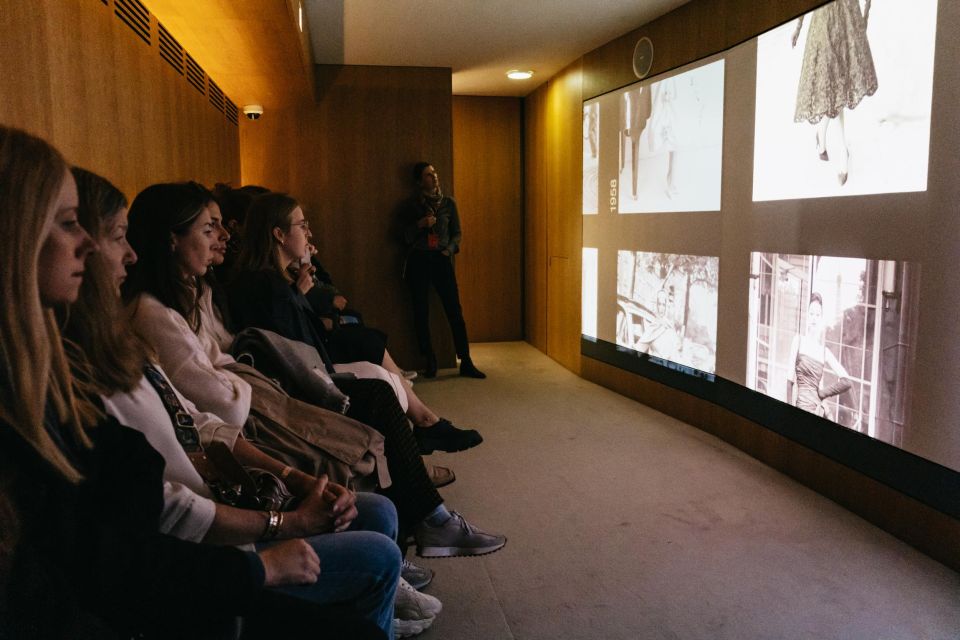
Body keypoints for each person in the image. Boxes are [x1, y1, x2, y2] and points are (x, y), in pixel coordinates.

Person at [0, 125, 383, 639]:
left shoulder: (95, 351)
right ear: (16, 237)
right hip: (189, 567)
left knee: (370, 416)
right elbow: (123, 546)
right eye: (73, 225)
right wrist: (276, 534)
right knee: (372, 549)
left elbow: (198, 422)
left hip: (206, 532)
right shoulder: (76, 367)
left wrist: (288, 482)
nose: (100, 248)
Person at [121, 182, 506, 567]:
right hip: (261, 408)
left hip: (270, 392)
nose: (223, 237)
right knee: (374, 389)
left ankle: (422, 492)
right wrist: (242, 366)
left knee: (374, 368)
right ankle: (423, 502)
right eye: (210, 229)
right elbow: (232, 389)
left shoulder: (198, 293)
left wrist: (243, 359)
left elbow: (237, 356)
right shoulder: (173, 308)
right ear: (171, 239)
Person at [228, 191, 484, 456]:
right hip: (309, 370)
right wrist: (301, 294)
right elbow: (294, 341)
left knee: (365, 336)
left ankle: (425, 420)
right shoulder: (267, 285)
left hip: (314, 352)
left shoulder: (276, 278)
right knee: (366, 345)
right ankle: (425, 421)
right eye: (302, 226)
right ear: (279, 235)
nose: (309, 233)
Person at [401, 162, 486, 379]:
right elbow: (403, 237)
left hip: (441, 259)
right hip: (419, 260)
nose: (434, 177)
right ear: (420, 181)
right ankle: (430, 358)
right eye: (428, 175)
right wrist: (420, 224)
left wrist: (449, 250)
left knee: (454, 310)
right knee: (421, 312)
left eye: (435, 173)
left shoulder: (448, 203)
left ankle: (465, 360)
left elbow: (457, 233)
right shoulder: (411, 206)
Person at [792, 0, 877, 186]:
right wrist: (798, 26)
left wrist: (865, 16)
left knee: (839, 87)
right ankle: (835, 148)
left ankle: (833, 147)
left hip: (847, 19)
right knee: (831, 86)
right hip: (824, 23)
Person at [786, 292, 853, 418]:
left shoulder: (824, 352)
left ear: (821, 318)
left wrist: (823, 393)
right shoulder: (798, 341)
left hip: (817, 411)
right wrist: (789, 412)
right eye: (811, 313)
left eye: (817, 315)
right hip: (800, 409)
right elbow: (789, 381)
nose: (814, 318)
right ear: (807, 315)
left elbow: (846, 382)